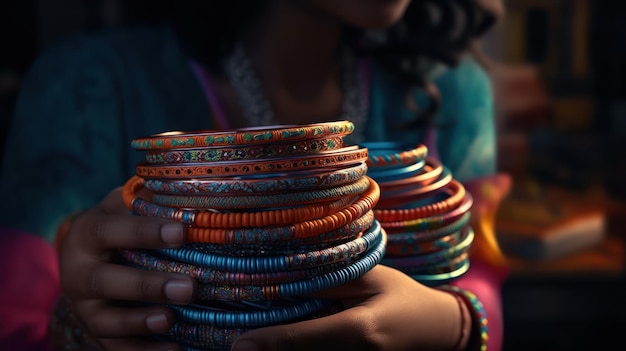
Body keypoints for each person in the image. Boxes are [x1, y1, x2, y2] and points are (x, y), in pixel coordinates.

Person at [0, 0, 510, 350]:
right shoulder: (88, 85)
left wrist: (456, 325)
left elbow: (478, 282)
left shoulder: (449, 92)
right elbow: (15, 324)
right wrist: (82, 323)